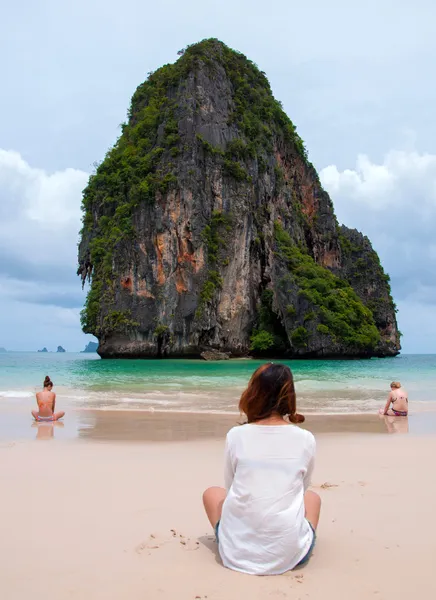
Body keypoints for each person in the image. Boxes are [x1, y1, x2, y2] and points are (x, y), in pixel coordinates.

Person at [202, 363, 320, 575]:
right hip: (288, 555)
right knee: (312, 498)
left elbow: (231, 489)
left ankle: (242, 540)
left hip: (235, 553)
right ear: (289, 396)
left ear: (253, 393)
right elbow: (301, 489)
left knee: (212, 494)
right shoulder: (306, 439)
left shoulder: (236, 436)